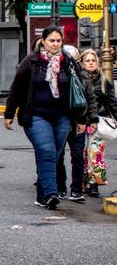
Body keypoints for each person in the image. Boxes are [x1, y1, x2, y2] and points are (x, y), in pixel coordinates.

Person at [4, 26, 88, 210]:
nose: (55, 44)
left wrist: (82, 119)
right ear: (43, 41)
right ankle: (51, 193)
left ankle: (42, 195)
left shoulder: (69, 62)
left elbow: (79, 91)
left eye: (58, 41)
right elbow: (16, 88)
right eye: (52, 40)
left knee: (55, 155)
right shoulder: (31, 62)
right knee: (47, 151)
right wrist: (9, 113)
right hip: (36, 115)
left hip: (63, 117)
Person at [56, 47, 95, 202]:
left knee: (77, 156)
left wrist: (93, 119)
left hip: (78, 121)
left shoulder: (82, 77)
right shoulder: (56, 75)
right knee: (59, 156)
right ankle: (61, 188)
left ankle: (76, 190)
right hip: (61, 121)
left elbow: (90, 100)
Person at [79, 48, 116, 197]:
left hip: (98, 123)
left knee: (96, 154)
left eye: (93, 60)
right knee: (82, 154)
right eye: (87, 60)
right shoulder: (77, 79)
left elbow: (112, 103)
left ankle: (95, 184)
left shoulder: (103, 81)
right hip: (81, 122)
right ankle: (84, 183)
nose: (91, 63)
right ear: (82, 63)